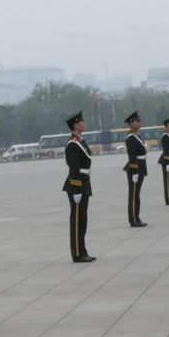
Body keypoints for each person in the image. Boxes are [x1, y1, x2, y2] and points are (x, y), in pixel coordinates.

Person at [62, 110, 94, 263]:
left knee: (83, 220)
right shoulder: (73, 144)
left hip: (84, 181)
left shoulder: (80, 141)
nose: (84, 123)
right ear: (76, 124)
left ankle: (82, 250)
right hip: (77, 184)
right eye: (81, 121)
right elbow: (73, 168)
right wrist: (76, 190)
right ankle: (77, 253)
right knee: (77, 221)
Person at [123, 110, 148, 227]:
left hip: (140, 168)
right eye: (137, 121)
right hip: (135, 169)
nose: (139, 123)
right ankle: (133, 220)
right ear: (131, 123)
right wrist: (134, 172)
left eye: (139, 120)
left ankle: (136, 217)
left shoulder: (136, 136)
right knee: (133, 195)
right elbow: (132, 156)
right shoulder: (131, 137)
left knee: (136, 195)